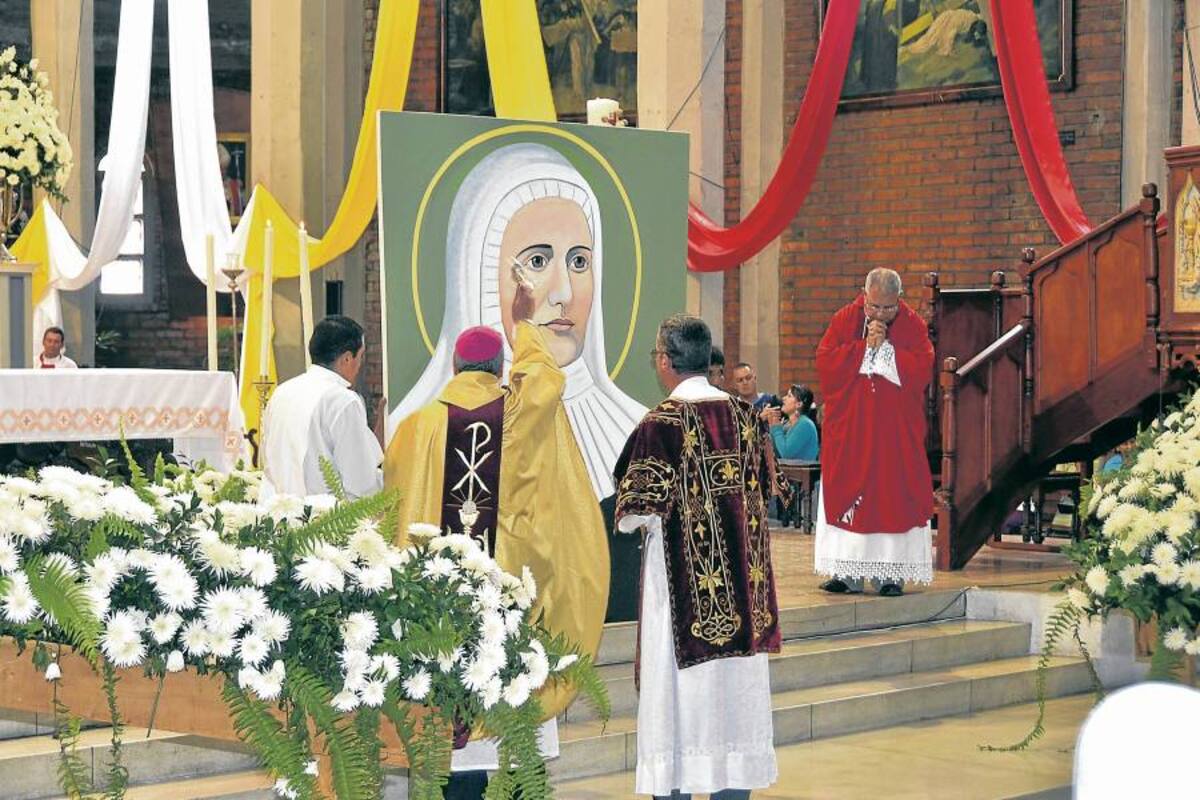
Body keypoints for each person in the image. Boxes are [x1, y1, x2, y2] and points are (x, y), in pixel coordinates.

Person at [385, 275, 609, 799]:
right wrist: (524, 325)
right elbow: (545, 380)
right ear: (496, 369)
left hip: (435, 610)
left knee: (441, 721)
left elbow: (391, 512)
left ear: (456, 368)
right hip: (505, 598)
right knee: (508, 728)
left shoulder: (416, 428)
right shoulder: (517, 413)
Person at [615, 314, 780, 800]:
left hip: (683, 598)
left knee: (682, 709)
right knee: (735, 705)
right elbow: (771, 489)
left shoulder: (660, 423)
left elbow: (634, 512)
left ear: (665, 362)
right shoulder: (748, 419)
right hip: (745, 598)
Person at [814, 268, 934, 597]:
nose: (880, 314)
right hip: (851, 431)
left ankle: (889, 575)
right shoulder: (843, 319)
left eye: (887, 308)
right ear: (864, 296)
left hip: (892, 436)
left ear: (899, 300)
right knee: (847, 494)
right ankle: (847, 572)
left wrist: (887, 351)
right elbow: (825, 363)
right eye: (874, 307)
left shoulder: (913, 326)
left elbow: (923, 369)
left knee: (892, 497)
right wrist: (863, 349)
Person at [261, 316, 384, 499]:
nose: (360, 366)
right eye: (361, 356)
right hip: (325, 522)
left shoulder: (281, 392)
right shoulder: (342, 400)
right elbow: (361, 483)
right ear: (347, 359)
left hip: (278, 515)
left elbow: (268, 461)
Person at [765, 384, 819, 461]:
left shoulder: (805, 424)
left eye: (789, 396)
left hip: (801, 472)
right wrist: (772, 427)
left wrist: (776, 428)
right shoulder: (786, 424)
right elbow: (774, 452)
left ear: (799, 404)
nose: (784, 398)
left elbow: (786, 453)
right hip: (786, 471)